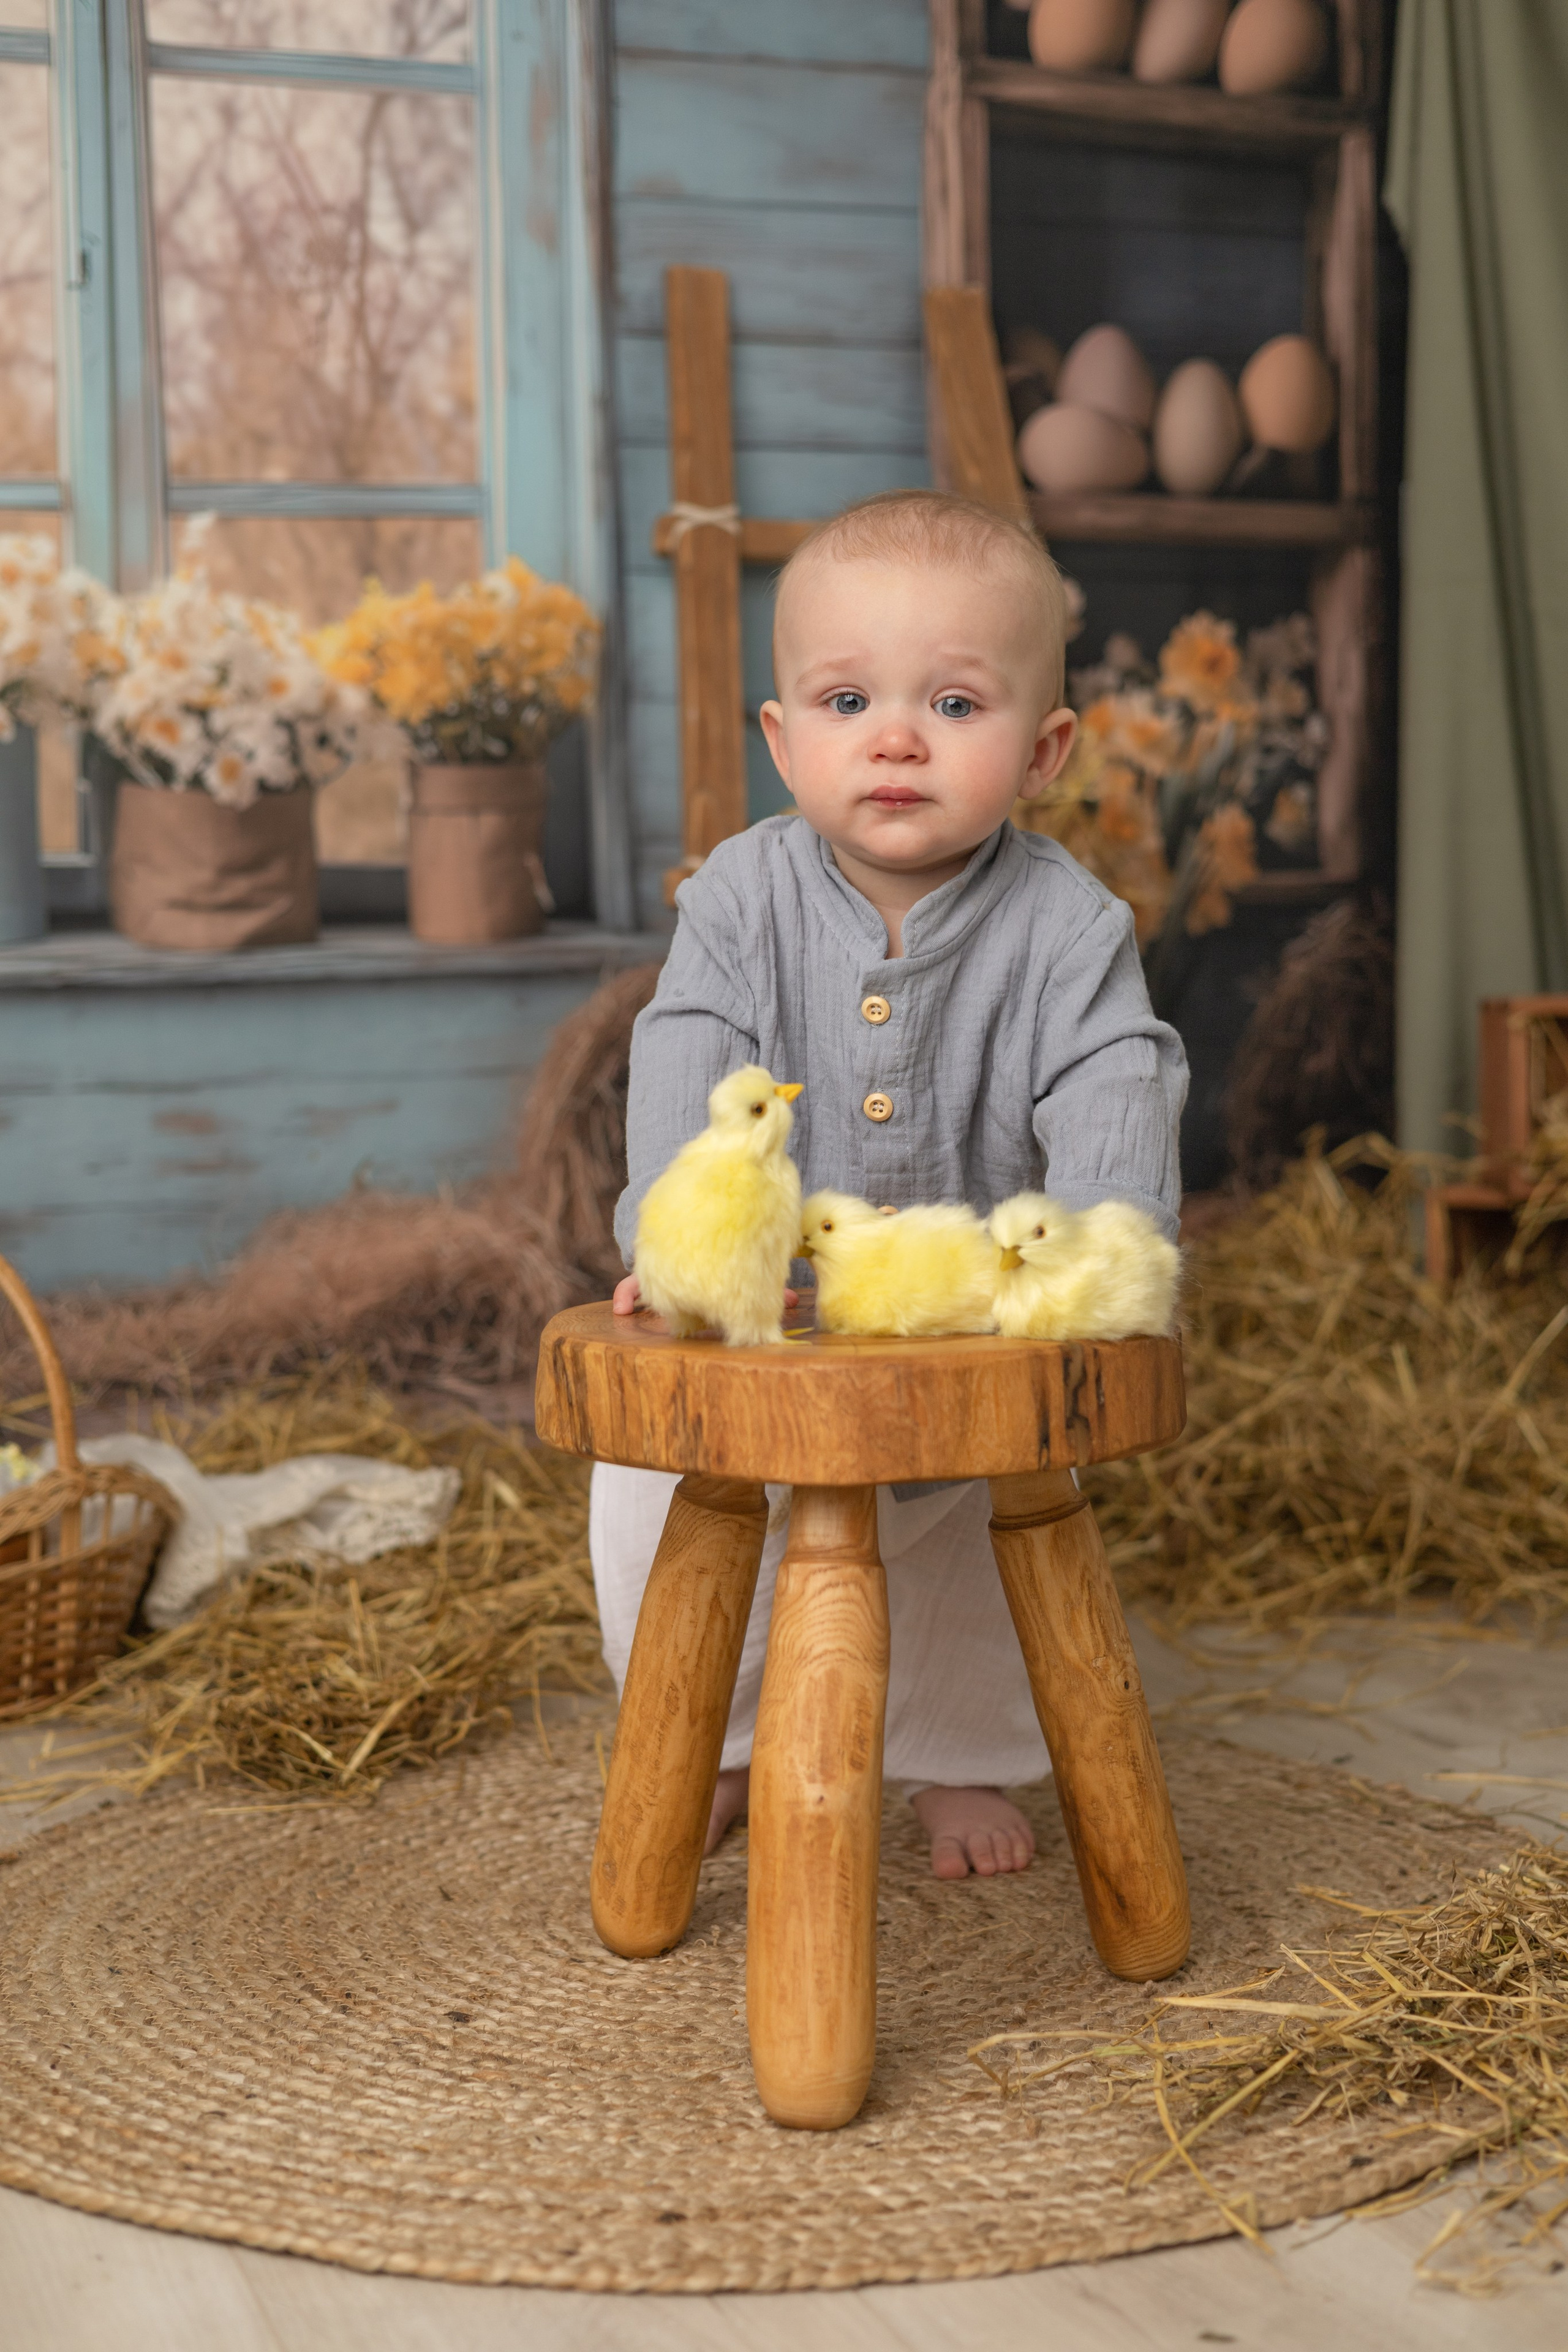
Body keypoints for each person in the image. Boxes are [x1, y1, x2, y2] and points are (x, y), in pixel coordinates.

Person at [591, 488, 1186, 1880]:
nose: (897, 737)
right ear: (783, 738)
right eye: (849, 699)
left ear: (1042, 751)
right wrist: (687, 1255)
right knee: (649, 1488)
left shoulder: (1066, 927)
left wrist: (1101, 1250)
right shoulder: (737, 901)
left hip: (961, 1316)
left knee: (971, 1534)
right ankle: (720, 1735)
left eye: (955, 707)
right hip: (770, 1316)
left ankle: (952, 1759)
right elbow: (682, 1074)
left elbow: (1116, 1082)